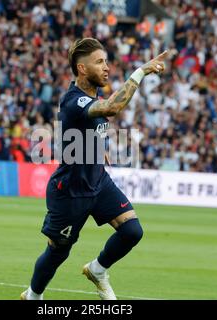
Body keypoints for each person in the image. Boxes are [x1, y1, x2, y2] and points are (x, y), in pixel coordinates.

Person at [21, 38, 168, 300]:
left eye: (106, 61)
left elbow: (92, 130)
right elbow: (112, 106)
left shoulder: (93, 97)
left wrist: (100, 152)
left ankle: (98, 270)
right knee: (58, 252)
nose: (107, 67)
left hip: (98, 182)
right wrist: (141, 71)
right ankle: (32, 296)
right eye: (99, 62)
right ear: (82, 69)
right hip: (70, 191)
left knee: (132, 231)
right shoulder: (73, 100)